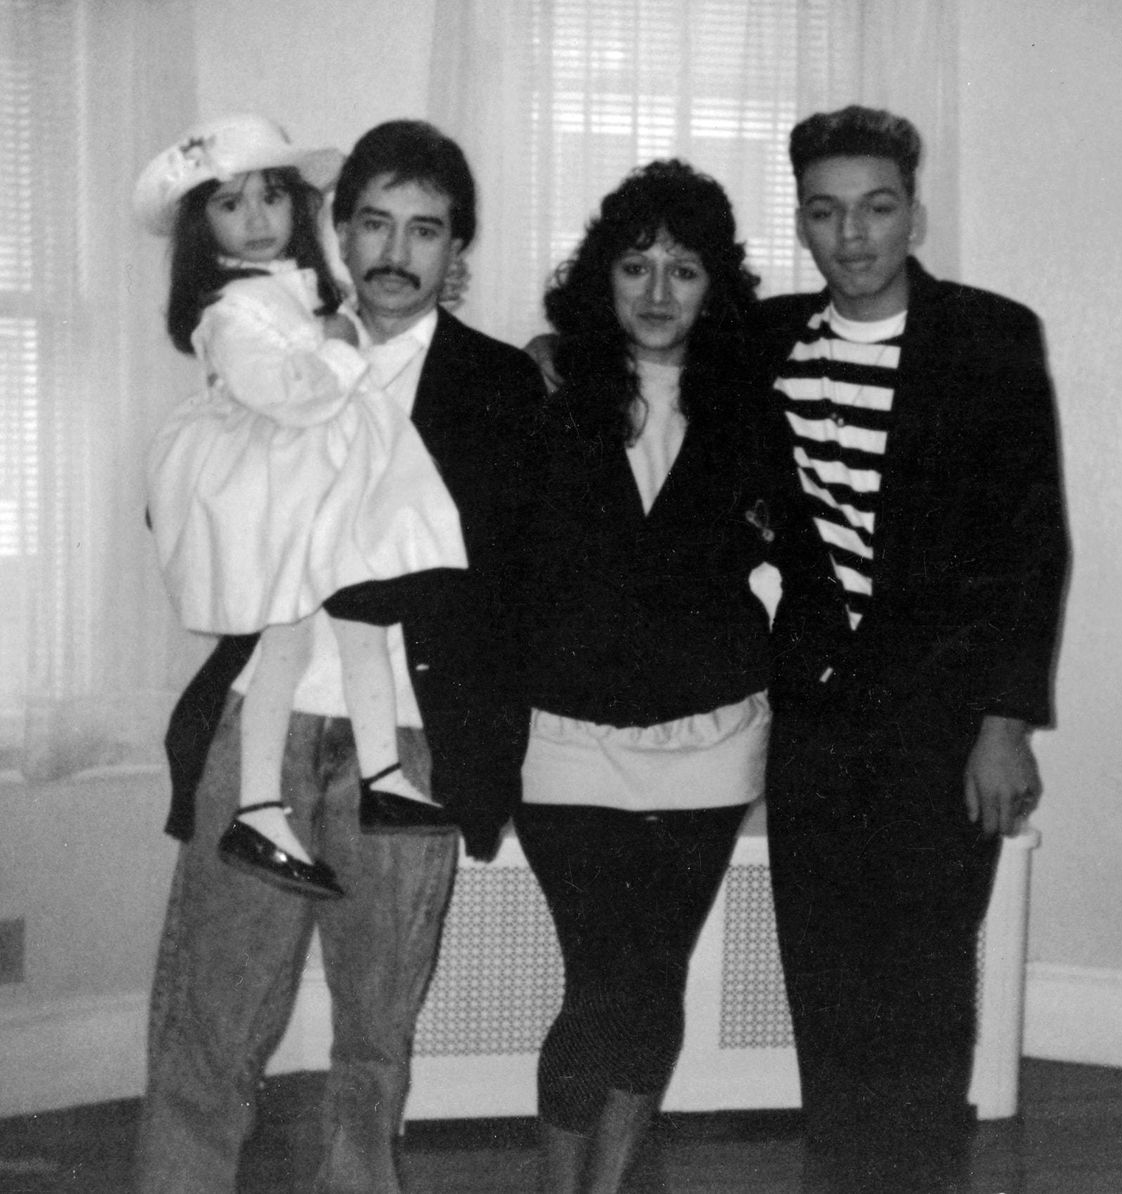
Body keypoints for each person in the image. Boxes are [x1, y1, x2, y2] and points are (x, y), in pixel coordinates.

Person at [134, 119, 544, 1194]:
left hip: (405, 739)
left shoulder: (505, 389)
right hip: (255, 732)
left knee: (374, 1045)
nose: (396, 253)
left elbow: (507, 580)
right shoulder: (266, 335)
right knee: (207, 1031)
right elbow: (186, 509)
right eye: (373, 222)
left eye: (427, 229)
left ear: (459, 248)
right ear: (338, 226)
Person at [756, 106, 1068, 1191]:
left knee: (927, 991)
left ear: (914, 214)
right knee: (825, 987)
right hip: (814, 722)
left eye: (877, 208)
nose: (854, 235)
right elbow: (634, 340)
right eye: (828, 211)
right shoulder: (765, 342)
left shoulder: (989, 337)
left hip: (944, 724)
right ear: (801, 223)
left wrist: (1004, 724)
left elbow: (1033, 545)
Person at [512, 159, 829, 1194]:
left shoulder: (753, 403)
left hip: (711, 734)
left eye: (684, 270)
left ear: (715, 286)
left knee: (651, 977)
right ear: (601, 276)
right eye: (636, 265)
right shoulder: (547, 388)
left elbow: (808, 556)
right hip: (565, 737)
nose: (657, 292)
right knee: (598, 978)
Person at [134, 114, 470, 901]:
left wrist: (337, 327)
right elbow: (289, 388)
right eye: (229, 204)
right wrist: (341, 345)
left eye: (272, 198)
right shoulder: (238, 311)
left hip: (342, 558)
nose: (256, 220)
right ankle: (258, 807)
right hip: (270, 516)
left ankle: (384, 773)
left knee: (364, 614)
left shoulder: (302, 295)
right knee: (284, 642)